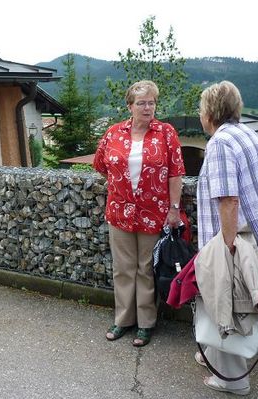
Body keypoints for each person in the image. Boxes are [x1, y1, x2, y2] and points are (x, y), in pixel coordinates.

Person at [195, 81, 258, 395]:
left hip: (231, 237)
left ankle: (232, 379)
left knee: (226, 301)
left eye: (201, 109)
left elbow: (228, 199)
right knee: (231, 300)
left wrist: (226, 250)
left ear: (209, 112)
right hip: (250, 233)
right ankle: (211, 353)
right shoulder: (247, 134)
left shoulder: (219, 143)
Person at [93, 80, 186, 347]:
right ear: (130, 106)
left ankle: (145, 324)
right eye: (141, 103)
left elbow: (176, 173)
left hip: (153, 212)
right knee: (123, 268)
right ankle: (123, 320)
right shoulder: (113, 133)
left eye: (151, 102)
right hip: (119, 211)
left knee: (146, 269)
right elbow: (101, 164)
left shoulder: (166, 133)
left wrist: (174, 209)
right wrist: (122, 186)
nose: (147, 108)